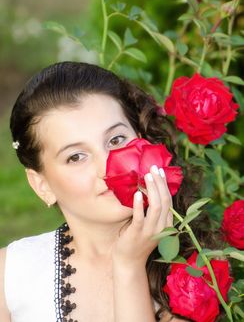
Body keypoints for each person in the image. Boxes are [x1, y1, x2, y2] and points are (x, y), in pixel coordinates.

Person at [0, 61, 198, 322]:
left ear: (141, 139)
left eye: (116, 140)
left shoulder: (191, 274)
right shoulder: (10, 274)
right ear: (42, 185)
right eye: (76, 156)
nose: (108, 167)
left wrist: (129, 267)